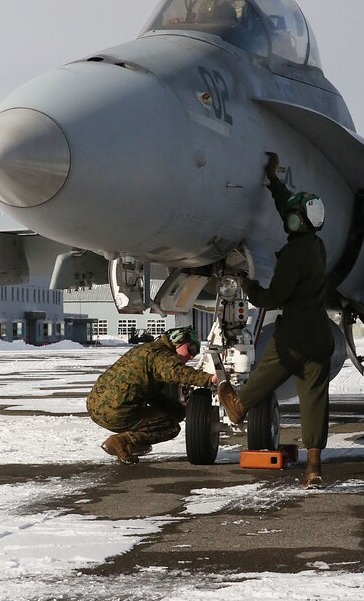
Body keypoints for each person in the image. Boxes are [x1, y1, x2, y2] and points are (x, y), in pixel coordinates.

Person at [218, 152, 333, 488]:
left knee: (266, 375)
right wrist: (273, 180)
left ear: (298, 222)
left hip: (293, 338)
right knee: (315, 401)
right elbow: (291, 210)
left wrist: (249, 286)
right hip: (320, 337)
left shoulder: (294, 255)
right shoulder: (317, 245)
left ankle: (238, 406)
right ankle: (314, 467)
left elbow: (275, 298)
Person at [87, 326, 218, 465]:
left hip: (97, 405)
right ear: (177, 341)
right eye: (191, 349)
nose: (191, 356)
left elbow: (150, 392)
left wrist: (177, 410)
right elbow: (176, 372)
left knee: (175, 412)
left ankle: (128, 446)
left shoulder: (148, 349)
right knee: (170, 426)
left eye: (195, 353)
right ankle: (122, 442)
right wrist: (209, 379)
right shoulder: (162, 355)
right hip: (116, 410)